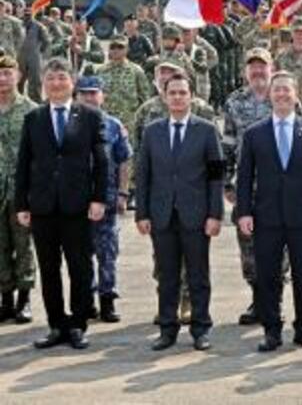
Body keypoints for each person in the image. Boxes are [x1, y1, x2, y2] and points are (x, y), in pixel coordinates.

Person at [14, 58, 109, 350]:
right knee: (49, 268)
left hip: (77, 205)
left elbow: (101, 162)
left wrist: (99, 198)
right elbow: (23, 163)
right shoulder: (33, 118)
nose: (56, 83)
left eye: (62, 78)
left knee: (80, 267)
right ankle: (56, 325)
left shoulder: (90, 116)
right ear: (43, 83)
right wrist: (22, 204)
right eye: (51, 78)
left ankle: (78, 325)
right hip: (43, 206)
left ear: (72, 82)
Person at [236, 72, 302, 352]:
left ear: (296, 94)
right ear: (270, 94)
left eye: (286, 90)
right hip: (265, 217)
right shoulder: (254, 133)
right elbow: (244, 177)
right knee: (268, 276)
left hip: (301, 216)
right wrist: (244, 212)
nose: (281, 95)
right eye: (276, 89)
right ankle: (272, 330)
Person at [135, 72, 225, 352]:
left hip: (196, 214)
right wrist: (141, 213)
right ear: (164, 97)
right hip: (162, 214)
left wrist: (215, 214)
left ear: (191, 96)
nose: (177, 97)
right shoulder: (152, 132)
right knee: (167, 276)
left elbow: (216, 176)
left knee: (198, 275)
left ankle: (200, 328)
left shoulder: (207, 130)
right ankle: (167, 329)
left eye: (182, 93)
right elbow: (143, 174)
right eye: (172, 93)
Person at [222, 47, 276, 326]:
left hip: (278, 187)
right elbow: (227, 145)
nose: (257, 71)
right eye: (252, 67)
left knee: (278, 249)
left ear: (271, 68)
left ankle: (275, 301)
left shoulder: (283, 96)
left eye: (262, 66)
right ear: (245, 71)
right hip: (245, 187)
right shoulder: (234, 101)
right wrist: (225, 183)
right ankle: (258, 300)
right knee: (249, 248)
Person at [75, 76, 132, 324]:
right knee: (80, 253)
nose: (89, 98)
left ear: (102, 96)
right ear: (77, 96)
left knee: (107, 252)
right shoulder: (68, 123)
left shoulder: (113, 125)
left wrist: (123, 193)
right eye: (84, 93)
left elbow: (124, 161)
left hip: (107, 200)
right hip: (76, 201)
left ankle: (107, 300)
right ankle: (86, 301)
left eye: (93, 93)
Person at [0, 55, 36, 325]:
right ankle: (6, 300)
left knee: (23, 244)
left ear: (18, 76)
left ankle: (24, 299)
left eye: (7, 73)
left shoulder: (31, 111)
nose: (2, 79)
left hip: (22, 189)